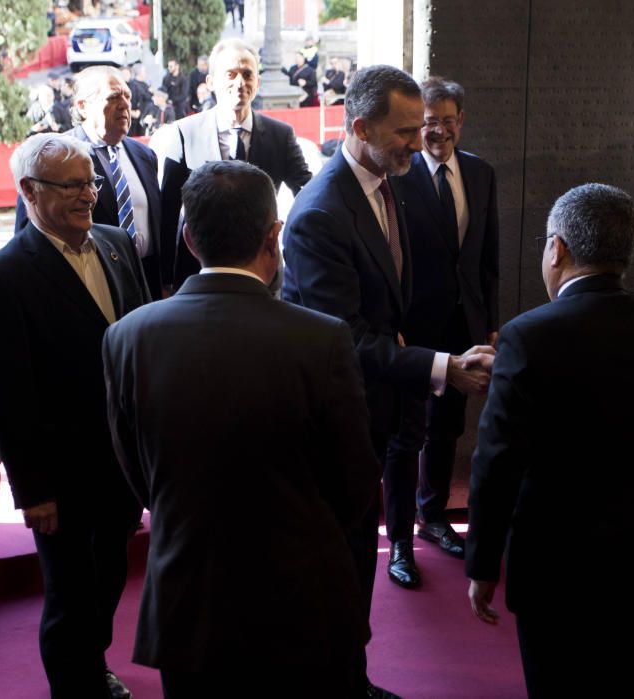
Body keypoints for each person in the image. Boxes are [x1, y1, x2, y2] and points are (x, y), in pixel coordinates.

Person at [102, 160, 379, 698]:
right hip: (302, 593)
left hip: (189, 592)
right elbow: (356, 480)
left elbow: (136, 468)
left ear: (187, 237)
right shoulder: (321, 338)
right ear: (274, 237)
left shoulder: (126, 337)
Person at [282, 64, 493, 697]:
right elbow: (342, 338)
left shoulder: (388, 181)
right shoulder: (321, 213)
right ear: (360, 128)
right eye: (404, 131)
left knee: (352, 564)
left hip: (381, 401)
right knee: (341, 564)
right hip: (339, 417)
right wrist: (440, 367)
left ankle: (350, 676)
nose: (417, 140)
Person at [465, 183, 634, 698]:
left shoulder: (527, 335)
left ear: (556, 248)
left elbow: (497, 460)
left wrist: (482, 562)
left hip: (556, 562)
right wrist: (519, 373)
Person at [0, 133, 149, 699]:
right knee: (69, 595)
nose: (87, 195)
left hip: (122, 466)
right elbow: (6, 395)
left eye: (89, 182)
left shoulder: (119, 245)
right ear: (28, 191)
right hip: (61, 478)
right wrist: (34, 489)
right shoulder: (0, 277)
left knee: (109, 580)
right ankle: (77, 686)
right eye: (70, 186)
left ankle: (92, 664)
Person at [387, 76, 499, 572]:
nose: (439, 133)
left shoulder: (480, 173)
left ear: (461, 122)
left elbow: (487, 257)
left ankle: (433, 517)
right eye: (430, 123)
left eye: (448, 122)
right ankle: (398, 543)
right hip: (413, 328)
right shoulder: (398, 177)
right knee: (405, 432)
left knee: (448, 428)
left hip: (463, 322)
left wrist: (489, 323)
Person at [161, 38, 312, 294]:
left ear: (257, 82)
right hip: (196, 273)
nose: (239, 83)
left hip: (262, 274)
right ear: (210, 82)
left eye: (247, 74)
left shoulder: (280, 135)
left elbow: (309, 195)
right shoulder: (184, 134)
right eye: (230, 74)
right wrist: (164, 279)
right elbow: (166, 212)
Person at [15, 66, 164, 301]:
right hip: (84, 283)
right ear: (83, 105)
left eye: (127, 96)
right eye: (114, 97)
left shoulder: (144, 155)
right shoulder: (53, 156)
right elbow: (27, 234)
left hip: (146, 283)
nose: (125, 104)